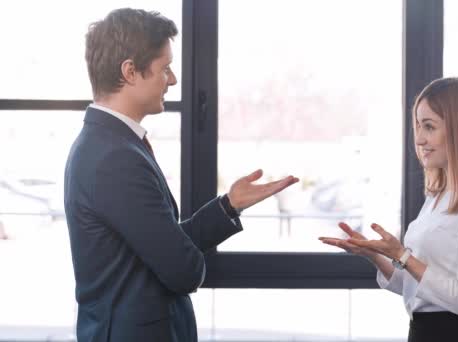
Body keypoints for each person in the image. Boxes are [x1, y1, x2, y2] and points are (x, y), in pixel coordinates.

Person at [64, 8, 298, 342]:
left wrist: (229, 206)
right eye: (165, 68)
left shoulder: (111, 143)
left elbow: (161, 243)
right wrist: (185, 260)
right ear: (130, 72)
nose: (172, 80)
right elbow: (183, 270)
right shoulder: (115, 157)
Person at [320, 77, 458, 342]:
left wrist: (403, 256)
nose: (420, 139)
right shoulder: (439, 196)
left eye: (430, 127)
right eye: (418, 126)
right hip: (422, 332)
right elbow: (415, 287)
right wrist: (374, 255)